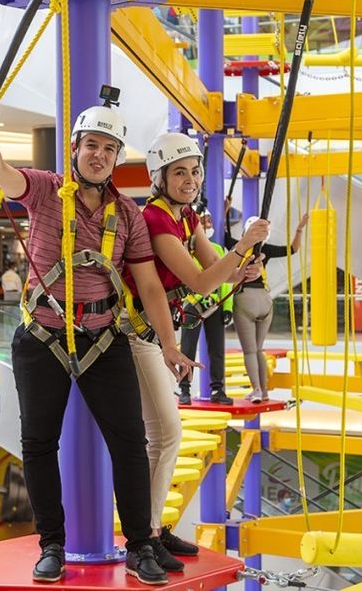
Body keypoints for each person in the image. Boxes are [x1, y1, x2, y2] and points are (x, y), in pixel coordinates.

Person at [0, 96, 198, 586]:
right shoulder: (47, 191)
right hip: (42, 335)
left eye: (109, 148)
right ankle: (52, 544)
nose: (99, 155)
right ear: (74, 148)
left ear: (117, 158)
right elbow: (1, 175)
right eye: (91, 145)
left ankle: (140, 544)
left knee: (131, 444)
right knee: (38, 443)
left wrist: (170, 345)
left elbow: (151, 285)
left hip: (102, 335)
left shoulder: (129, 215)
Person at [122, 132, 268, 571]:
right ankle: (144, 536)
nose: (190, 179)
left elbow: (214, 269)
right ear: (159, 178)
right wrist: (242, 248)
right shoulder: (155, 219)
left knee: (166, 436)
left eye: (194, 171)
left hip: (155, 333)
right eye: (179, 172)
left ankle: (151, 528)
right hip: (137, 334)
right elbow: (203, 283)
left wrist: (242, 270)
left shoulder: (187, 218)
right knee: (164, 435)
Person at [225, 212, 307, 402]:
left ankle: (256, 390)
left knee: (250, 351)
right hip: (265, 300)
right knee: (259, 350)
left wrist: (226, 211)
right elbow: (292, 249)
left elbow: (224, 233)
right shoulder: (266, 249)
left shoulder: (238, 247)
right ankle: (265, 391)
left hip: (246, 299)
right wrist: (300, 228)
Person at [178, 209, 235, 406]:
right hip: (192, 304)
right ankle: (184, 389)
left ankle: (218, 389)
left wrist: (227, 307)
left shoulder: (218, 249)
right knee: (187, 348)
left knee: (217, 349)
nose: (208, 224)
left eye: (210, 220)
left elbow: (226, 279)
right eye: (205, 220)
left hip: (215, 304)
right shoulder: (184, 249)